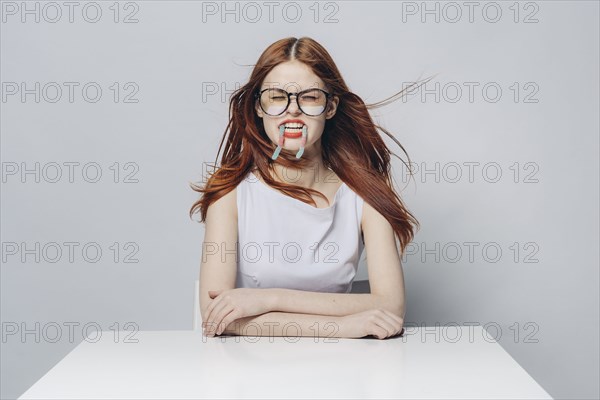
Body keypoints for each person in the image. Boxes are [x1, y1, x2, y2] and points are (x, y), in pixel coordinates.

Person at [189, 37, 433, 339]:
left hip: (344, 369)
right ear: (259, 108)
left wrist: (269, 299)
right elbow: (215, 318)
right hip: (248, 370)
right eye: (277, 96)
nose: (292, 111)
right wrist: (340, 326)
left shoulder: (364, 194)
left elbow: (391, 307)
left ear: (330, 107)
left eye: (309, 97)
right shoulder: (231, 195)